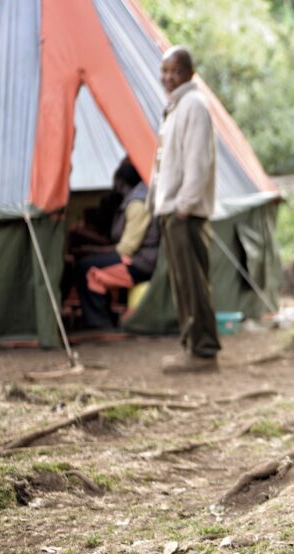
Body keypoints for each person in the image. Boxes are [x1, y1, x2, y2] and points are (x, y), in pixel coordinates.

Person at [147, 46, 221, 373]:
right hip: (172, 210)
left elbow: (197, 162)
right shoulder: (175, 107)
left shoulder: (194, 106)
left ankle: (204, 352)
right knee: (182, 284)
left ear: (189, 73)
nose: (167, 77)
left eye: (173, 71)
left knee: (192, 283)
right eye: (164, 71)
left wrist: (184, 206)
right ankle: (192, 347)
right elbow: (165, 161)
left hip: (185, 213)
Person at [70, 158, 159, 329]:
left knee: (87, 269)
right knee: (87, 262)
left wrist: (92, 250)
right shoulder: (132, 201)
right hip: (138, 258)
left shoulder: (137, 204)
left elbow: (126, 249)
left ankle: (99, 324)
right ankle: (102, 319)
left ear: (121, 184)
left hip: (142, 263)